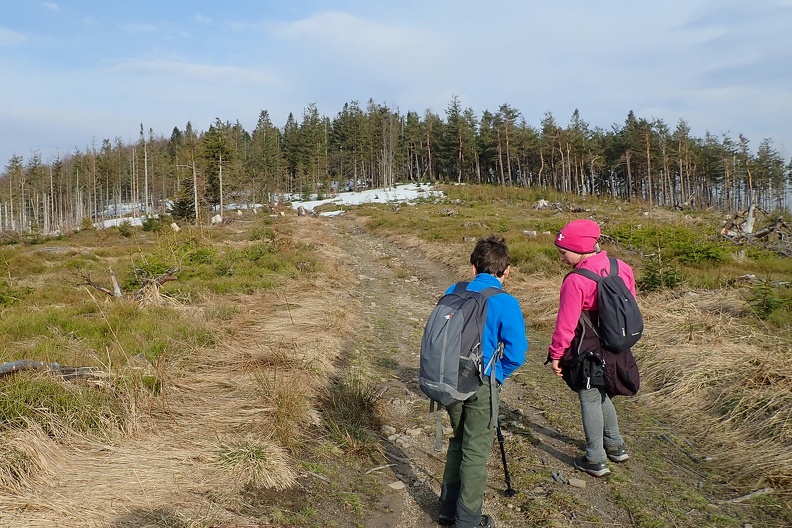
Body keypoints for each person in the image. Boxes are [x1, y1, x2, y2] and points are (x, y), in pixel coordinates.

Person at [438, 236, 528, 528]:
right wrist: (497, 374)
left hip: (449, 378)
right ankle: (467, 520)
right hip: (482, 382)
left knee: (457, 441)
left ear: (473, 267)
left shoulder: (454, 290)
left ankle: (447, 509)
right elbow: (516, 353)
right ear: (507, 270)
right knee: (475, 450)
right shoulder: (506, 302)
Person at [547, 219, 635, 478]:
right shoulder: (622, 267)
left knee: (589, 396)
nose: (561, 258)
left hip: (587, 348)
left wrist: (556, 355)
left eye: (563, 252)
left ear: (580, 248)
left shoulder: (576, 280)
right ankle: (616, 445)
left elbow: (566, 324)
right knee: (602, 392)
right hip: (616, 345)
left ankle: (595, 459)